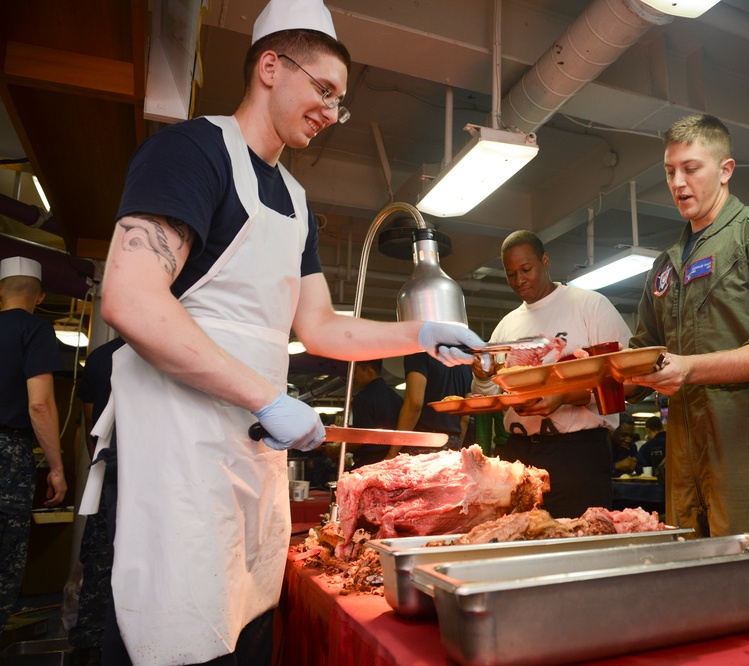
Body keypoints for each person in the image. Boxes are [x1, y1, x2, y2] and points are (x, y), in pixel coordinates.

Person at [83, 1, 485, 662]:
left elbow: (321, 327)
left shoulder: (296, 204)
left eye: (340, 100)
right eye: (323, 90)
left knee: (246, 623)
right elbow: (130, 299)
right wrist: (265, 396)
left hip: (248, 462)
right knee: (171, 627)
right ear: (270, 65)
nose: (330, 111)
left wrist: (421, 333)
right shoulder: (192, 153)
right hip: (177, 458)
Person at [624, 114, 749, 571]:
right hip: (684, 465)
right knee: (697, 595)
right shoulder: (665, 265)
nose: (677, 182)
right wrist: (565, 385)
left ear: (726, 169)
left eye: (691, 168)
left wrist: (690, 368)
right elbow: (645, 357)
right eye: (669, 170)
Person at [471, 230, 632, 518]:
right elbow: (490, 395)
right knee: (520, 545)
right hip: (518, 454)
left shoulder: (589, 306)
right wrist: (483, 376)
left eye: (526, 270)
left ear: (545, 260)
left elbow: (627, 381)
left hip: (577, 454)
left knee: (580, 542)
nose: (519, 281)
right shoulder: (506, 326)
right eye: (511, 274)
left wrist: (565, 396)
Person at [0, 256, 68, 631]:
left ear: (0, 292)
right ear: (40, 297)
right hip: (8, 455)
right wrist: (56, 468)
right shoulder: (36, 330)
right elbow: (39, 403)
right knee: (5, 560)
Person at [68, 336, 126, 664]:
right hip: (155, 479)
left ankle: (90, 650)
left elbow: (93, 427)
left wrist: (103, 467)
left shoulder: (101, 356)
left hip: (109, 472)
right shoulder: (164, 346)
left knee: (100, 569)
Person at [389, 352, 473, 457]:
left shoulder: (419, 353)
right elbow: (465, 417)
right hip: (453, 444)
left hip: (422, 444)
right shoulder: (464, 363)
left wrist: (393, 452)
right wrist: (456, 446)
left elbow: (414, 404)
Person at [346, 358, 402, 467]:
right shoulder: (397, 398)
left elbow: (360, 438)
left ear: (369, 371)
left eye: (355, 372)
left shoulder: (362, 398)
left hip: (369, 463)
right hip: (393, 461)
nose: (354, 377)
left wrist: (338, 449)